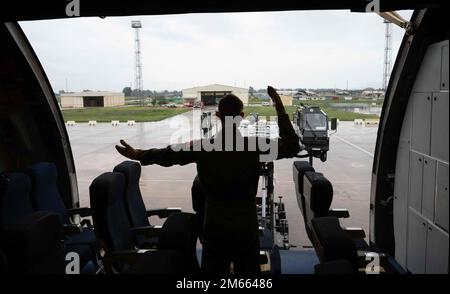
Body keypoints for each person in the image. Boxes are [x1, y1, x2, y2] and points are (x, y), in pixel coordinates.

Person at [115, 86, 300, 274]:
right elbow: (292, 146)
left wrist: (138, 154)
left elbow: (168, 155)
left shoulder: (203, 147)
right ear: (242, 116)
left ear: (217, 115)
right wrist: (279, 106)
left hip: (214, 226)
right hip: (246, 225)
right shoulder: (255, 146)